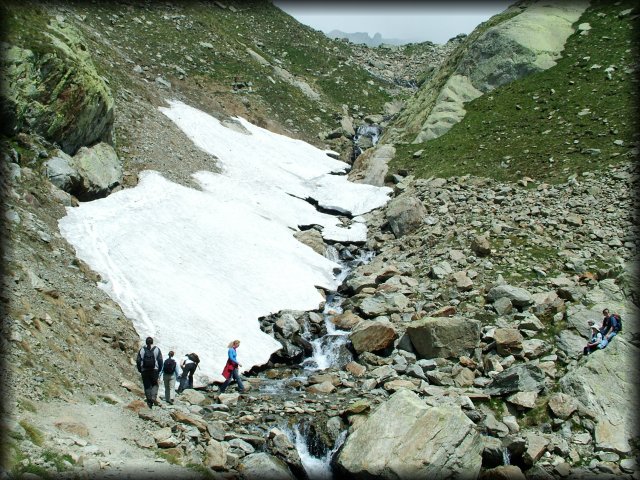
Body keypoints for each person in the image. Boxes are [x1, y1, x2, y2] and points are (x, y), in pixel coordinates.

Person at [136, 336, 163, 409]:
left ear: (146, 342)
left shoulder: (142, 349)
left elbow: (138, 360)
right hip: (154, 370)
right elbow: (160, 360)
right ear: (152, 342)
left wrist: (140, 369)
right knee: (155, 384)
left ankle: (149, 402)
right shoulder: (157, 349)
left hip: (144, 370)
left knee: (147, 386)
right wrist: (159, 369)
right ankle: (153, 397)